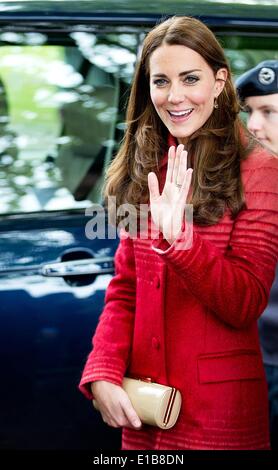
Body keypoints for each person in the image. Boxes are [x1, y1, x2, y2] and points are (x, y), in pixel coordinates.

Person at [79, 16, 278, 450]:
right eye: (161, 81)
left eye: (190, 78)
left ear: (220, 82)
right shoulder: (150, 164)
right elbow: (125, 289)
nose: (175, 96)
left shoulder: (260, 169)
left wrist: (181, 243)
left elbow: (245, 302)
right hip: (144, 413)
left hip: (216, 421)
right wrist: (103, 371)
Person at [236, 60, 278, 450]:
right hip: (251, 364)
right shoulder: (247, 187)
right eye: (250, 111)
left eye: (269, 112)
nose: (253, 125)